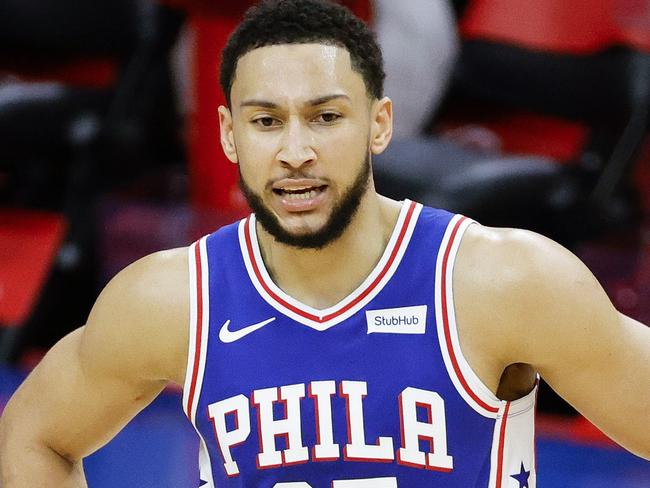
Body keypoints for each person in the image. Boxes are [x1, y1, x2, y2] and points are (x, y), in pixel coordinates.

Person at [1, 0, 648, 486]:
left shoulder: (504, 282)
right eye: (265, 122)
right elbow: (34, 436)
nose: (295, 152)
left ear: (380, 124)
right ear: (229, 135)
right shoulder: (173, 300)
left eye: (326, 117)